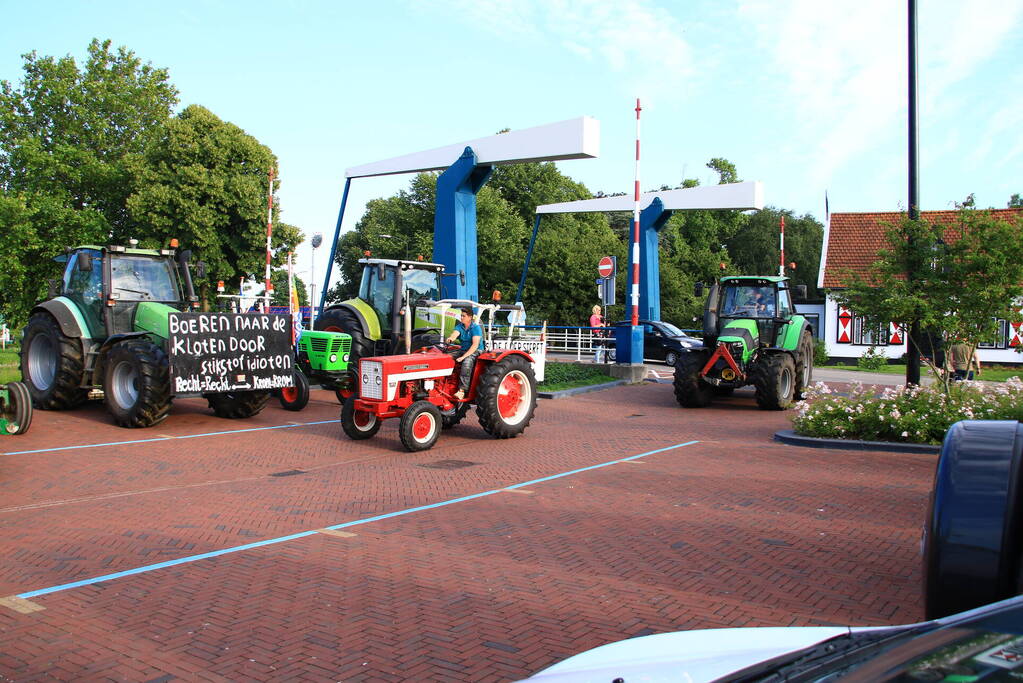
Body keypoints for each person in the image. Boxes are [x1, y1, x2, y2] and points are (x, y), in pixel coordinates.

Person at [445, 306, 485, 400]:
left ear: (470, 317)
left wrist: (463, 357)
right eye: (461, 316)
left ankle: (462, 391)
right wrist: (451, 338)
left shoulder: (476, 328)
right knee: (446, 357)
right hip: (463, 349)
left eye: (463, 316)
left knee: (467, 362)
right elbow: (455, 334)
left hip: (476, 350)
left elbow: (475, 345)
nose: (461, 318)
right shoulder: (460, 326)